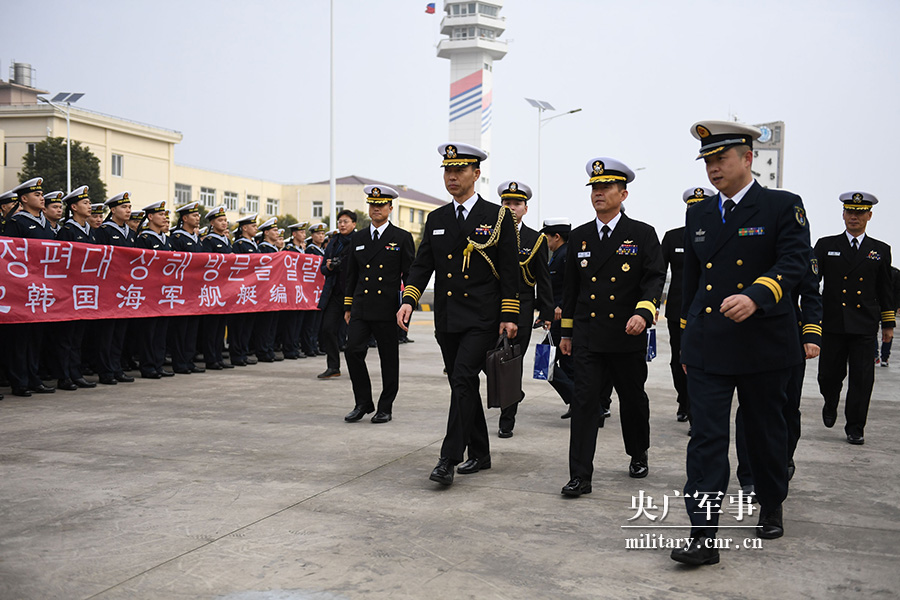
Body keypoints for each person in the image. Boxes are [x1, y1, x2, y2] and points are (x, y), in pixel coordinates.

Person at [671, 120, 811, 566]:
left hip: (764, 345)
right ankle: (702, 535)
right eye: (708, 161)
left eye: (721, 159)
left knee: (764, 434)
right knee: (706, 440)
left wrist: (757, 296)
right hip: (710, 346)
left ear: (748, 158)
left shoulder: (781, 206)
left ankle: (770, 504)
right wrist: (687, 343)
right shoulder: (699, 214)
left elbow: (795, 262)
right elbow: (693, 284)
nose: (713, 168)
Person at [397, 142, 519, 486]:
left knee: (464, 378)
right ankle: (480, 452)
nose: (452, 176)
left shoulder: (497, 216)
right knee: (461, 383)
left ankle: (448, 458)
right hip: (448, 318)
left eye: (459, 170)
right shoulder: (437, 218)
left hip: (482, 317)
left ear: (476, 174)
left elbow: (510, 269)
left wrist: (509, 314)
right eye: (448, 171)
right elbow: (423, 265)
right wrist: (408, 299)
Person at [559, 157, 664, 497]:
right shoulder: (580, 236)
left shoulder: (642, 234)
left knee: (632, 400)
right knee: (584, 403)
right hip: (588, 336)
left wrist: (644, 312)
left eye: (606, 187)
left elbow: (654, 278)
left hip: (626, 335)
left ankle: (638, 451)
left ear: (624, 194)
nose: (598, 193)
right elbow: (571, 290)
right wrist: (567, 333)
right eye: (595, 188)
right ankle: (580, 476)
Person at [814, 192, 894, 445]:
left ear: (869, 216)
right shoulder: (826, 246)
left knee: (862, 380)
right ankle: (830, 400)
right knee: (828, 376)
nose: (854, 217)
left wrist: (888, 324)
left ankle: (855, 427)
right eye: (850, 212)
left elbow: (885, 290)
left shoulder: (880, 250)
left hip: (864, 325)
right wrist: (809, 317)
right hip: (833, 323)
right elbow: (812, 283)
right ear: (843, 214)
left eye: (859, 213)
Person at [342, 185, 415, 423]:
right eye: (373, 205)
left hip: (387, 309)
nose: (376, 209)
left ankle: (386, 406)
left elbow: (410, 275)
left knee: (388, 359)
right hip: (361, 306)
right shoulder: (359, 238)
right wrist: (348, 306)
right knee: (352, 351)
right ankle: (363, 402)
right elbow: (352, 274)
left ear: (390, 208)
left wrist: (407, 304)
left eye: (381, 205)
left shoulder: (401, 237)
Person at [496, 180, 553, 438]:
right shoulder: (490, 234)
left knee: (511, 363)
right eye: (506, 203)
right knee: (489, 361)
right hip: (491, 306)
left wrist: (547, 312)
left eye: (517, 203)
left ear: (525, 209)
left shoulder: (535, 239)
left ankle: (507, 419)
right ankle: (513, 393)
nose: (511, 207)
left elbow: (543, 278)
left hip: (522, 307)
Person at [661, 187, 715, 424]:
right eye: (691, 207)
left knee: (703, 361)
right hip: (677, 310)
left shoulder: (719, 236)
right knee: (678, 360)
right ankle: (684, 400)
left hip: (711, 310)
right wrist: (651, 305)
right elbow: (658, 273)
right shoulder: (673, 237)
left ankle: (696, 412)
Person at [4, 178, 58, 397]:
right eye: (37, 195)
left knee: (36, 337)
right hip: (23, 288)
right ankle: (19, 381)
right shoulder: (16, 222)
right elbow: (10, 256)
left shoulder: (46, 225)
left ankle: (34, 378)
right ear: (24, 199)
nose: (42, 198)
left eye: (42, 194)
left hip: (42, 288)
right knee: (20, 338)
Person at [53, 185, 98, 391]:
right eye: (85, 203)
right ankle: (64, 376)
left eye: (89, 202)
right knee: (66, 336)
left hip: (86, 290)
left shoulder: (90, 232)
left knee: (78, 335)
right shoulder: (67, 231)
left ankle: (75, 372)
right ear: (74, 207)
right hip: (69, 290)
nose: (89, 206)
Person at [93, 192, 137, 385]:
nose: (128, 211)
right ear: (112, 210)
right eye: (124, 207)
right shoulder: (104, 231)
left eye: (129, 207)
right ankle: (106, 370)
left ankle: (117, 367)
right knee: (107, 333)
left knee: (120, 332)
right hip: (109, 289)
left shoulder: (131, 234)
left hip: (126, 289)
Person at [134, 201, 175, 379]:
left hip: (165, 291)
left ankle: (158, 363)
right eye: (160, 214)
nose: (164, 218)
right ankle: (148, 365)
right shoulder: (144, 239)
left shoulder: (166, 240)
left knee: (161, 330)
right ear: (150, 217)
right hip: (149, 292)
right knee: (149, 331)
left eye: (165, 215)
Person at [541, 218, 576, 418]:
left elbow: (572, 285)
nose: (546, 241)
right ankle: (578, 406)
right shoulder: (557, 255)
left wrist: (562, 305)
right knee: (569, 365)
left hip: (563, 319)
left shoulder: (565, 255)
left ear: (557, 236)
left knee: (543, 360)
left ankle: (584, 403)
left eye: (547, 236)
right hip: (557, 319)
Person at [317, 210, 357, 379]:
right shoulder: (333, 242)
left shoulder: (359, 240)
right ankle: (333, 366)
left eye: (345, 221)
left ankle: (356, 367)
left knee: (355, 334)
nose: (342, 225)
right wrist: (330, 267)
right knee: (328, 329)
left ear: (354, 224)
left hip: (353, 293)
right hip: (334, 293)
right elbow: (323, 269)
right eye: (340, 222)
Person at [168, 201, 205, 374]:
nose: (197, 218)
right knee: (181, 328)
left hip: (195, 290)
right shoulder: (177, 238)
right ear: (184, 218)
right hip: (181, 289)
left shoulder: (196, 239)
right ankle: (179, 362)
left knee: (192, 328)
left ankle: (188, 360)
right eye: (194, 215)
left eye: (198, 215)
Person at [200, 206, 234, 370]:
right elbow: (207, 263)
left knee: (221, 325)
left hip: (225, 288)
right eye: (220, 220)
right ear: (212, 223)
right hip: (213, 288)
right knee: (211, 326)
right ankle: (210, 358)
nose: (224, 223)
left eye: (225, 220)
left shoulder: (226, 240)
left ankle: (219, 357)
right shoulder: (209, 241)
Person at [228, 213, 260, 367]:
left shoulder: (253, 245)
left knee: (248, 324)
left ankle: (243, 352)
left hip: (252, 289)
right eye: (253, 226)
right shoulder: (239, 245)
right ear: (244, 228)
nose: (256, 228)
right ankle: (236, 354)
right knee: (238, 325)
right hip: (241, 290)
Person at [253, 217, 283, 363]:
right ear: (266, 232)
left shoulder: (274, 249)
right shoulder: (263, 249)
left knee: (272, 322)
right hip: (265, 290)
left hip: (275, 289)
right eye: (274, 230)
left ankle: (269, 349)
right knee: (265, 323)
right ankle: (263, 350)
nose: (277, 233)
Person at [280, 222, 310, 360]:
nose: (304, 234)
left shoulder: (302, 250)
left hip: (302, 290)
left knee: (298, 320)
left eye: (304, 232)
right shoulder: (289, 250)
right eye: (301, 232)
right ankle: (289, 348)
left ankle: (294, 347)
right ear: (294, 234)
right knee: (291, 321)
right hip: (292, 289)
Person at [303, 223, 328, 358]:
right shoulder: (310, 250)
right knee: (310, 321)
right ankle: (309, 346)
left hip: (319, 289)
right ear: (312, 236)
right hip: (310, 289)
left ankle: (314, 345)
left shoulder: (322, 251)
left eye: (323, 234)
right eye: (318, 234)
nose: (321, 236)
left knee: (317, 322)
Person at [879, 266, 900, 366]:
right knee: (887, 332)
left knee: (872, 331)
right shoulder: (895, 272)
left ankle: (878, 355)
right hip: (889, 306)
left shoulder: (895, 273)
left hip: (880, 305)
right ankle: (884, 357)